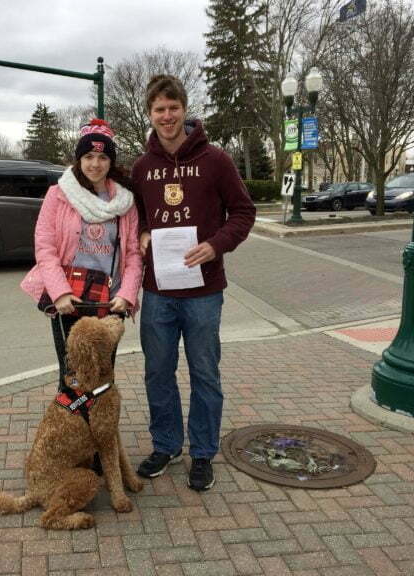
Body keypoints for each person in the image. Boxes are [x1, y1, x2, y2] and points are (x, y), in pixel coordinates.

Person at [132, 75, 256, 491]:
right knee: (157, 372)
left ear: (184, 110)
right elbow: (138, 218)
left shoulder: (215, 160)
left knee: (204, 372)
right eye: (158, 110)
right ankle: (166, 445)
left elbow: (243, 212)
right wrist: (144, 234)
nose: (166, 116)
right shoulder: (142, 167)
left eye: (173, 108)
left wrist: (216, 245)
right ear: (149, 114)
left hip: (203, 291)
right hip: (158, 292)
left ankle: (203, 453)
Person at [21, 119, 143, 391]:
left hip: (110, 300)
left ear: (111, 161)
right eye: (88, 156)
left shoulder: (125, 202)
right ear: (79, 159)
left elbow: (133, 254)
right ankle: (71, 430)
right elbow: (45, 247)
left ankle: (100, 432)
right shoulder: (58, 195)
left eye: (102, 157)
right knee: (72, 375)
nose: (95, 164)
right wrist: (59, 292)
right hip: (69, 297)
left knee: (102, 374)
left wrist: (128, 294)